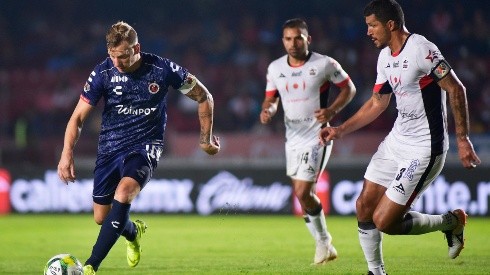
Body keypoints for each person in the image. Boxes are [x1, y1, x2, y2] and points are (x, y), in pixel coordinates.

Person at [319, 1, 481, 274]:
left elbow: (456, 89)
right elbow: (377, 103)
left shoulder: (421, 49)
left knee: (384, 222)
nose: (368, 31)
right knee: (363, 206)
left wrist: (463, 139)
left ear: (390, 24)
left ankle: (450, 222)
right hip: (397, 141)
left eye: (372, 25)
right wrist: (340, 129)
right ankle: (376, 272)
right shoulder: (385, 57)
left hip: (424, 148)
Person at [57, 21, 220, 275]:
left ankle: (90, 266)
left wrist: (205, 140)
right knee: (102, 217)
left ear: (137, 48)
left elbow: (203, 96)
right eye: (112, 56)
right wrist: (66, 153)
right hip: (110, 147)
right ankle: (133, 232)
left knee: (124, 192)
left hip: (145, 146)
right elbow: (78, 118)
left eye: (122, 56)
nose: (117, 63)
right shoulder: (103, 73)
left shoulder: (163, 69)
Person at [260, 18, 356, 265]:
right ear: (283, 41)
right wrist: (268, 111)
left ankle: (324, 241)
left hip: (317, 135)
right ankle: (325, 245)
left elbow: (349, 88)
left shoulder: (324, 64)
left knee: (304, 191)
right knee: (302, 195)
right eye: (288, 39)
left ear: (308, 39)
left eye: (298, 38)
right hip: (291, 137)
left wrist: (332, 111)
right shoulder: (275, 68)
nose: (293, 43)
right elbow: (271, 99)